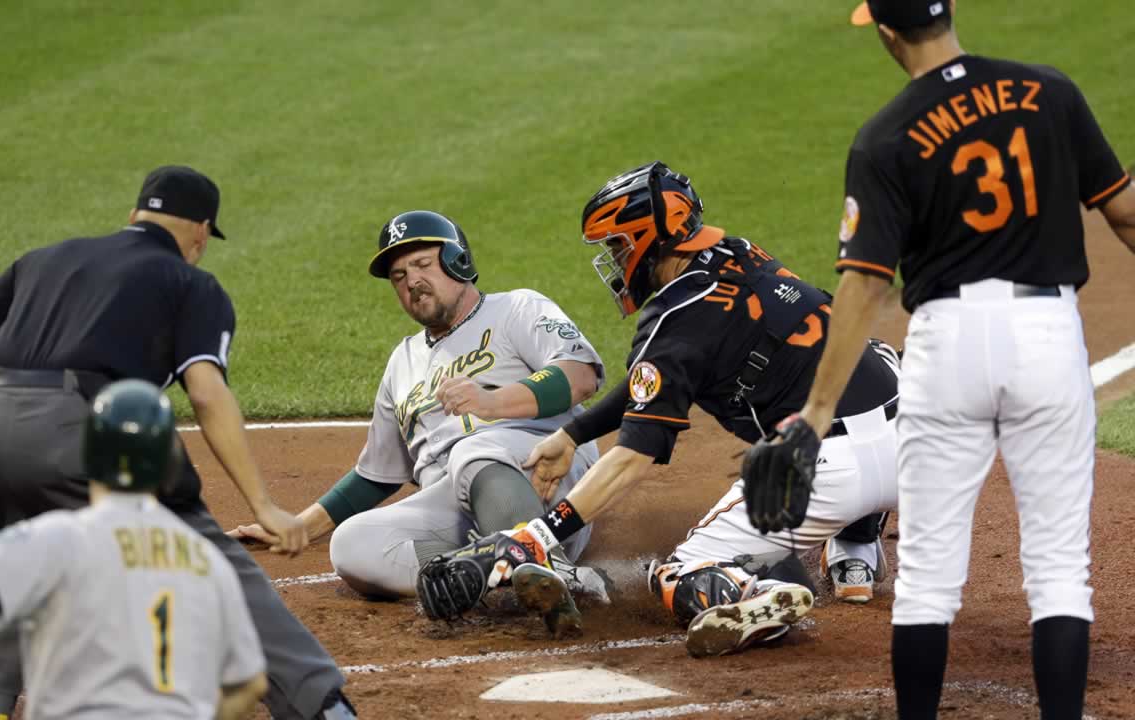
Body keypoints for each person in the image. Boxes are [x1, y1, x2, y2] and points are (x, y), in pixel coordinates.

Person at [771, 2, 1135, 718]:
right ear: (951, 9)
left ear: (884, 32)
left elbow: (868, 282)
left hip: (948, 343)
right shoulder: (1049, 91)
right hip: (1046, 336)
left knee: (929, 579)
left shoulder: (883, 136)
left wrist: (816, 412)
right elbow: (1124, 212)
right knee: (1061, 570)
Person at [0, 166, 352, 719]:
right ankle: (322, 707)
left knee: (25, 557)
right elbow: (207, 394)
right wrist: (262, 504)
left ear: (136, 214)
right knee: (207, 556)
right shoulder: (190, 284)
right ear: (201, 232)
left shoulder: (44, 259)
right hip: (82, 433)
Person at [415, 162, 902, 655]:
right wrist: (573, 434)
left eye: (617, 246)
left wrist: (537, 535)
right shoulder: (738, 252)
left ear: (647, 237)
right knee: (875, 351)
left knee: (675, 575)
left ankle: (757, 591)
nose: (614, 260)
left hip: (827, 474)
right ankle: (858, 538)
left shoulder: (671, 321)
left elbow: (632, 458)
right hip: (915, 443)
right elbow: (661, 377)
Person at [230, 209, 609, 636]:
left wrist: (492, 401)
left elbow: (581, 374)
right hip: (461, 506)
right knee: (352, 545)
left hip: (544, 483)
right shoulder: (402, 362)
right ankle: (490, 573)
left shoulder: (515, 308)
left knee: (473, 448)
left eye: (423, 265)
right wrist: (299, 527)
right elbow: (376, 475)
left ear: (457, 261)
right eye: (398, 276)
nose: (411, 281)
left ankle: (551, 566)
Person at [0, 381, 267, 719]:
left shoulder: (63, 540)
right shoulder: (207, 559)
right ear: (169, 468)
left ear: (89, 455)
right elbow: (250, 683)